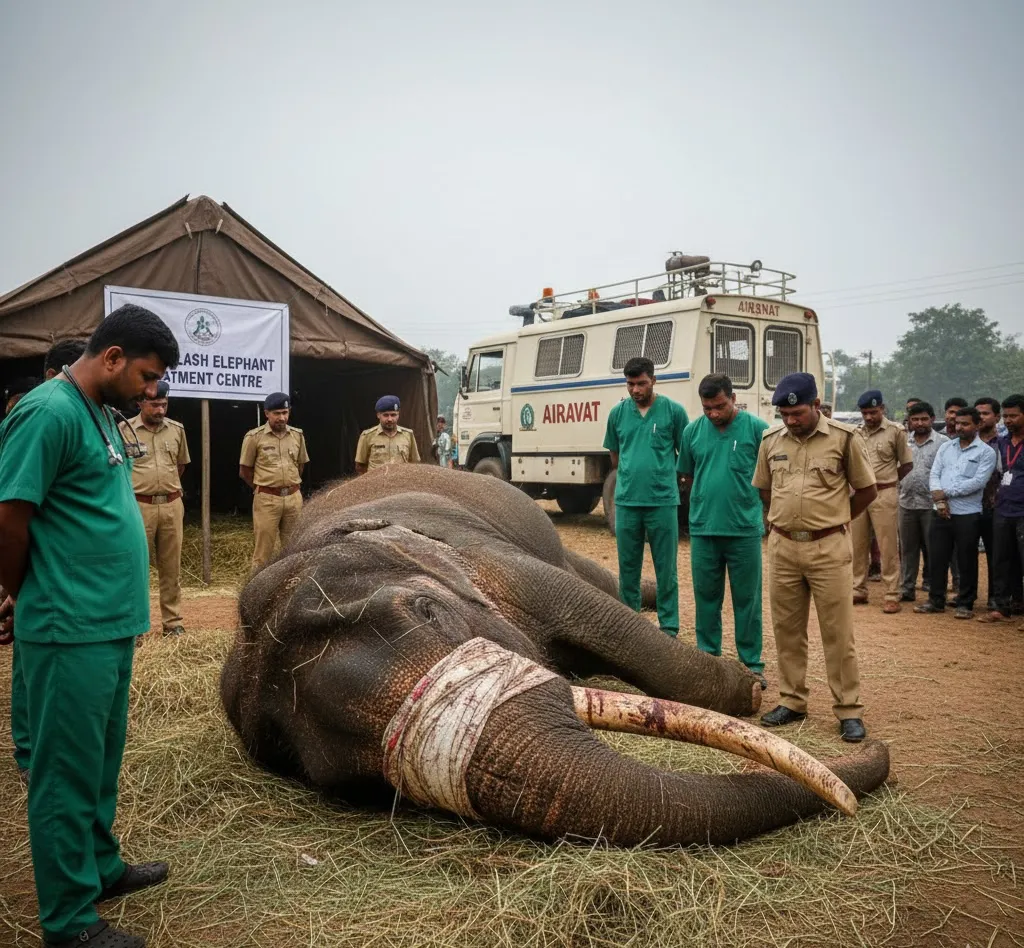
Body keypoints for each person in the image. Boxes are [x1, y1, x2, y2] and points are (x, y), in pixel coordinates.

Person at [0, 304, 178, 948]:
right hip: (68, 624)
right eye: (147, 375)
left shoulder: (102, 414)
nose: (150, 389)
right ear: (112, 357)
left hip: (107, 622)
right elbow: (10, 516)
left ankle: (99, 867)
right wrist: (26, 593)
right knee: (64, 772)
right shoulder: (47, 412)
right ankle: (70, 920)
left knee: (99, 762)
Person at [753, 372, 877, 743]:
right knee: (787, 629)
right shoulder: (771, 439)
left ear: (816, 405)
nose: (791, 420)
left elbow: (867, 490)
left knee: (838, 632)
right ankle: (792, 700)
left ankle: (849, 710)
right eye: (784, 414)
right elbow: (765, 490)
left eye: (798, 413)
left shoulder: (844, 438)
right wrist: (785, 524)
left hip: (829, 548)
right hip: (783, 547)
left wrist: (833, 519)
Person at [5, 338, 90, 785]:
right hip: (35, 564)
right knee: (29, 659)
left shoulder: (91, 418)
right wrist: (18, 587)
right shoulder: (42, 413)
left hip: (60, 568)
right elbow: (13, 514)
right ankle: (28, 751)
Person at [677, 373, 767, 683]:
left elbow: (769, 477)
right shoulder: (692, 432)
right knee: (706, 598)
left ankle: (751, 665)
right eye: (707, 408)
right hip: (704, 530)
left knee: (748, 600)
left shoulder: (757, 430)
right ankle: (708, 661)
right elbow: (685, 475)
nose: (714, 414)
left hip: (744, 530)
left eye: (720, 406)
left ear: (733, 398)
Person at [603, 356, 688, 637]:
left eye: (641, 383)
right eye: (630, 384)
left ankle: (669, 629)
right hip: (626, 502)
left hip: (662, 501)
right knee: (628, 570)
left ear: (654, 380)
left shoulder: (674, 412)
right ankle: (632, 629)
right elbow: (615, 457)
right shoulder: (617, 414)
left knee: (666, 570)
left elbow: (683, 455)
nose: (636, 390)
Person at [120, 381, 190, 638]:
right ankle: (135, 626)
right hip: (139, 507)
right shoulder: (124, 430)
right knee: (136, 567)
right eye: (155, 405)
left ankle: (172, 623)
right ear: (140, 403)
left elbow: (180, 465)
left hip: (172, 505)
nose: (161, 410)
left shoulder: (177, 430)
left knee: (171, 568)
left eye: (164, 404)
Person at [915, 407, 996, 619]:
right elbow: (935, 473)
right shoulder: (946, 447)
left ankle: (965, 603)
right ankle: (936, 600)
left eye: (965, 424)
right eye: (958, 423)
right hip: (940, 511)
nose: (959, 427)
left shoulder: (986, 452)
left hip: (968, 513)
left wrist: (946, 493)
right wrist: (938, 497)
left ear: (977, 425)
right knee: (937, 557)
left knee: (966, 558)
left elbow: (978, 482)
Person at [851, 390, 913, 612]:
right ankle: (858, 589)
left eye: (873, 412)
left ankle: (892, 593)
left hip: (884, 492)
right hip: (859, 493)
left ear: (883, 409)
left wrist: (890, 480)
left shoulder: (896, 432)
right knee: (856, 544)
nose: (869, 417)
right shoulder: (856, 433)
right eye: (865, 413)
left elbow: (907, 464)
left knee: (888, 545)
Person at [239, 392, 309, 572]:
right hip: (267, 500)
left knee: (293, 548)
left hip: (293, 498)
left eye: (285, 412)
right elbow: (245, 471)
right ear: (266, 413)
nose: (282, 417)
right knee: (264, 552)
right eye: (277, 413)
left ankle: (289, 588)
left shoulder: (297, 436)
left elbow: (300, 465)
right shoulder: (254, 437)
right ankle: (258, 595)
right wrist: (263, 489)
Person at [979, 394, 1024, 625]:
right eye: (1005, 416)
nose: (1008, 420)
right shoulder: (1002, 443)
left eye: (1013, 416)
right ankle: (1000, 607)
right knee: (1000, 560)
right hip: (1003, 509)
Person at [898, 402, 948, 603]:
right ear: (909, 420)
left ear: (932, 419)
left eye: (924, 419)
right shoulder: (902, 441)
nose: (920, 423)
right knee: (907, 550)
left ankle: (936, 591)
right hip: (906, 503)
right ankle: (907, 589)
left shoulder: (943, 443)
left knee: (934, 550)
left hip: (931, 505)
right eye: (915, 419)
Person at [974, 397, 1001, 609]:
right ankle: (967, 596)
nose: (981, 417)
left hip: (996, 507)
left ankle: (996, 597)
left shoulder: (1004, 442)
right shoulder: (966, 441)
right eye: (978, 414)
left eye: (986, 413)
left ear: (997, 417)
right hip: (969, 506)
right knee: (965, 552)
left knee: (996, 555)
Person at [354, 395, 422, 473]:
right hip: (376, 483)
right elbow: (360, 466)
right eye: (386, 415)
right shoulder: (367, 436)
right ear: (378, 415)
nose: (390, 419)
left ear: (398, 415)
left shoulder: (408, 435)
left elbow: (415, 463)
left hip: (401, 483)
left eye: (393, 415)